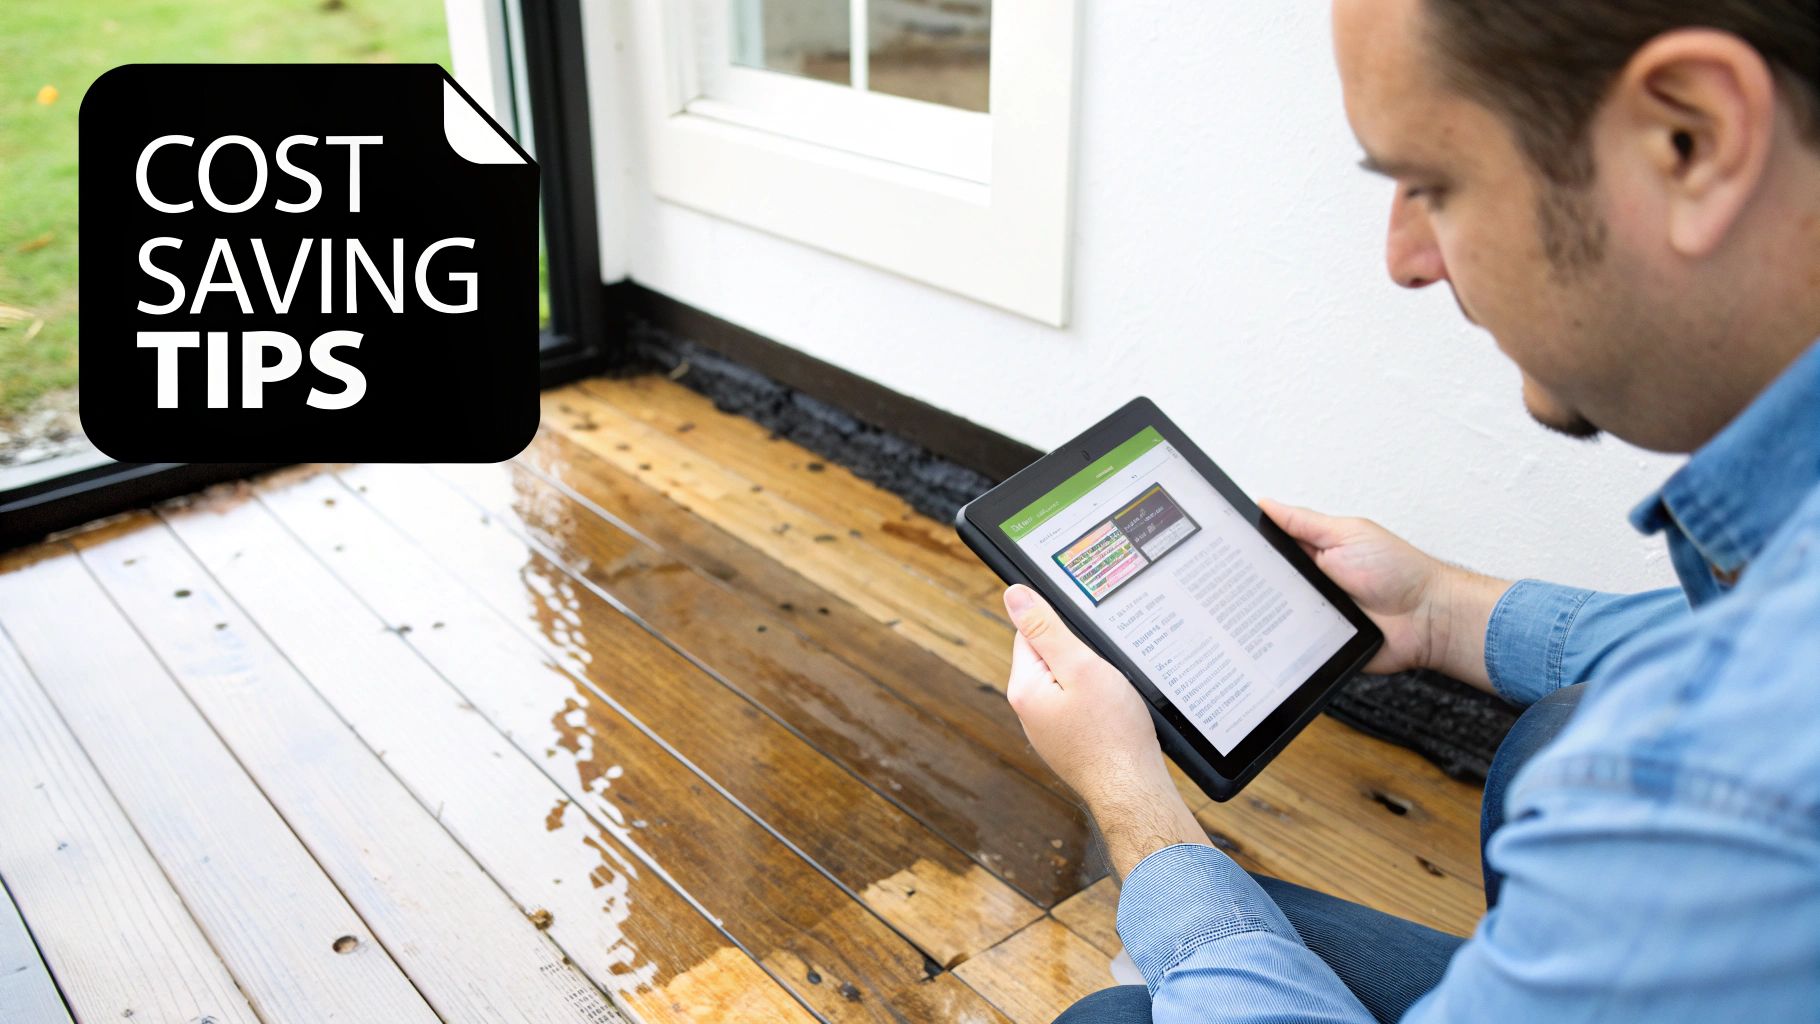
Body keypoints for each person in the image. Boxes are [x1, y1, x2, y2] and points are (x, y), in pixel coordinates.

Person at [1016, 1, 1820, 1020]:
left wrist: (1134, 805)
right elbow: (1732, 642)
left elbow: (1734, 708)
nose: (1403, 259)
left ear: (1689, 137)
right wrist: (1438, 609)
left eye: (1431, 186)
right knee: (1552, 730)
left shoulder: (1696, 780)